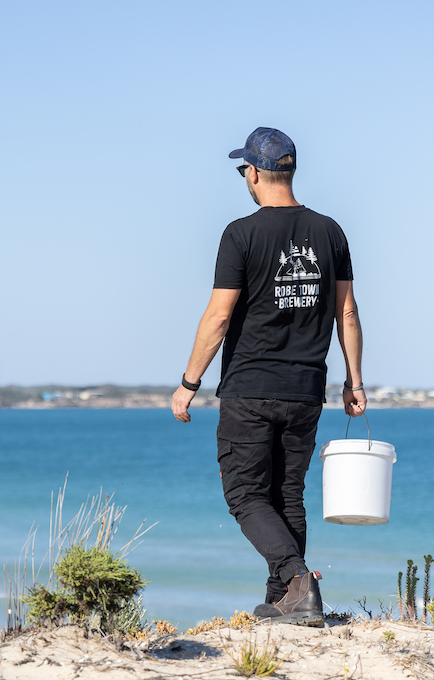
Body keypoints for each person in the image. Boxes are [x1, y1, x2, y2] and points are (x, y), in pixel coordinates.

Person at [171, 127, 366, 626]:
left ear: (253, 173)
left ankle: (298, 581)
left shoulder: (240, 234)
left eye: (244, 170)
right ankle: (284, 598)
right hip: (306, 389)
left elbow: (217, 318)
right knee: (287, 494)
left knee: (245, 494)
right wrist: (354, 380)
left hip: (250, 388)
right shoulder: (331, 231)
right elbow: (347, 313)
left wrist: (189, 383)